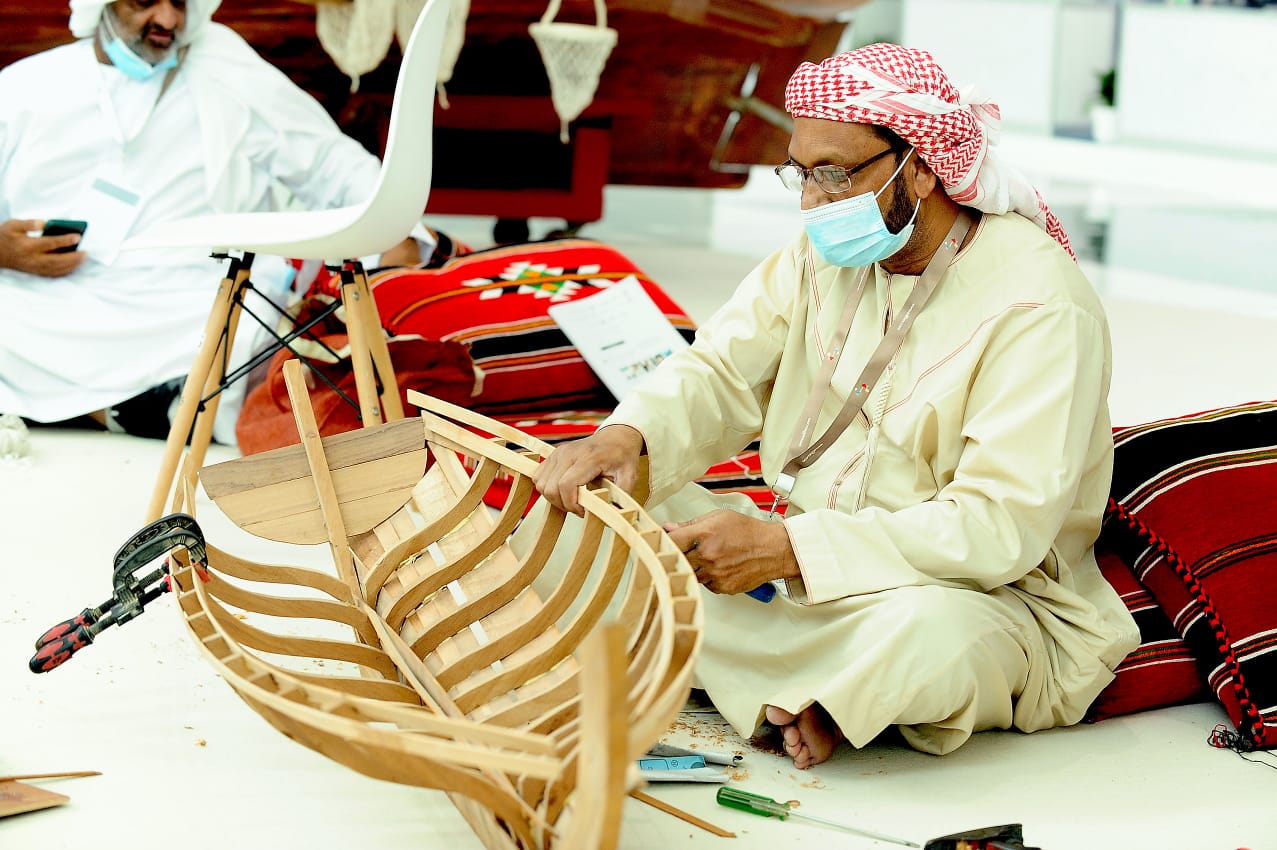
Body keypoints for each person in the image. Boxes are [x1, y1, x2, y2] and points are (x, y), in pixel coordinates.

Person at [532, 44, 1140, 769]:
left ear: (919, 163)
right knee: (592, 510)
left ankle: (787, 675)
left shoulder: (1038, 305)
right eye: (800, 171)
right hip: (796, 569)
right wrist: (626, 439)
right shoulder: (823, 254)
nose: (811, 201)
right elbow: (720, 370)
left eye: (833, 173)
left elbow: (997, 529)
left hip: (960, 593)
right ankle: (818, 696)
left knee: (929, 638)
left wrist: (788, 552)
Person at [0, 0, 429, 445]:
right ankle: (141, 408)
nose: (168, 20)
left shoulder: (222, 68)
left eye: (180, 4)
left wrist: (396, 224)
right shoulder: (23, 87)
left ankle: (107, 407)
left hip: (191, 299)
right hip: (52, 300)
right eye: (145, 2)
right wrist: (4, 251)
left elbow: (325, 159)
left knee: (251, 327)